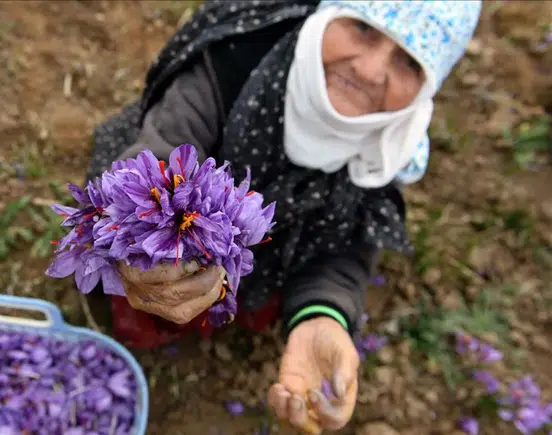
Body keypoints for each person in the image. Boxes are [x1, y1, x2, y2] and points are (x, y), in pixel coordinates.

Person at [85, 1, 481, 433]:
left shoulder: (388, 143)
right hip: (176, 236)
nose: (370, 70)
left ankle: (242, 300)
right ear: (328, 14)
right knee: (156, 286)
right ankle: (151, 313)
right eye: (363, 30)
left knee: (252, 298)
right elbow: (161, 156)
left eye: (409, 61)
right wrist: (143, 241)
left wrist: (323, 316)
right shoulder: (235, 60)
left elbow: (345, 248)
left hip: (269, 246)